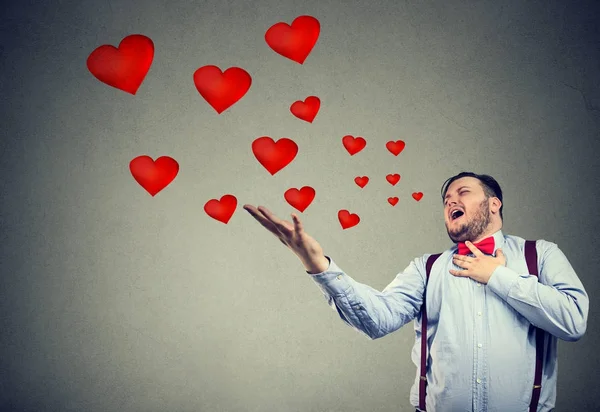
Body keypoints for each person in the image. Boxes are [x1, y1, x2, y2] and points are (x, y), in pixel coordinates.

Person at [243, 171, 588, 412]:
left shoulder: (541, 255)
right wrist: (318, 264)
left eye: (463, 193)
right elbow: (376, 320)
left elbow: (574, 321)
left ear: (494, 204)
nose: (451, 200)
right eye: (446, 199)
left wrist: (500, 277)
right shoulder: (427, 267)